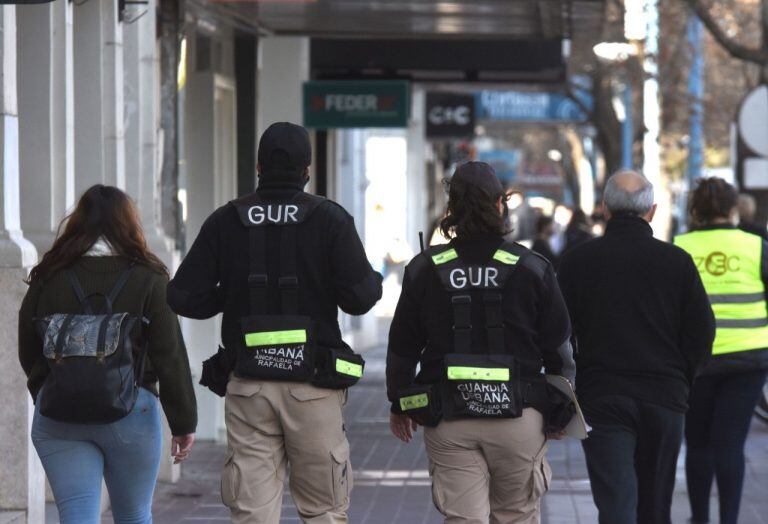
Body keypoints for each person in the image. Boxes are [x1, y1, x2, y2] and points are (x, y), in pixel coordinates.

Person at [168, 122, 382, 524]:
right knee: (324, 510)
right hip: (314, 386)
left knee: (252, 512)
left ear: (258, 166)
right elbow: (361, 299)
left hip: (249, 386)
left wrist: (229, 294)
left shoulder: (226, 220)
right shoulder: (330, 219)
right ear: (307, 169)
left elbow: (181, 296)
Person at [387, 161, 575, 524]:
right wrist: (559, 411)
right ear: (500, 206)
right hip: (520, 418)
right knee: (516, 515)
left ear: (451, 210)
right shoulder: (532, 267)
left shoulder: (426, 267)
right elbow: (560, 351)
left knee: (463, 518)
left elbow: (402, 348)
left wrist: (400, 402)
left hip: (448, 418)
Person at [18, 185, 197, 524]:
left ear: (77, 223)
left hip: (59, 415)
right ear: (128, 224)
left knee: (77, 515)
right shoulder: (149, 278)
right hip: (131, 412)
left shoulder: (49, 275)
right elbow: (169, 355)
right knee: (133, 514)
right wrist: (183, 422)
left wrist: (47, 390)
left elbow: (28, 347)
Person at [557, 170, 715, 524]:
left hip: (602, 396)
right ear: (653, 211)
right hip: (664, 396)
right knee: (656, 505)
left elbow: (557, 335)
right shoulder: (677, 262)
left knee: (616, 504)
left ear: (604, 209)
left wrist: (569, 387)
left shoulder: (575, 262)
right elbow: (702, 332)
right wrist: (682, 380)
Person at [674, 178, 768, 524]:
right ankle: (728, 519)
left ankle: (699, 518)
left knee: (697, 444)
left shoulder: (678, 246)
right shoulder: (756, 246)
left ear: (694, 211)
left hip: (696, 363)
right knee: (730, 444)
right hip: (749, 360)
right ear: (733, 209)